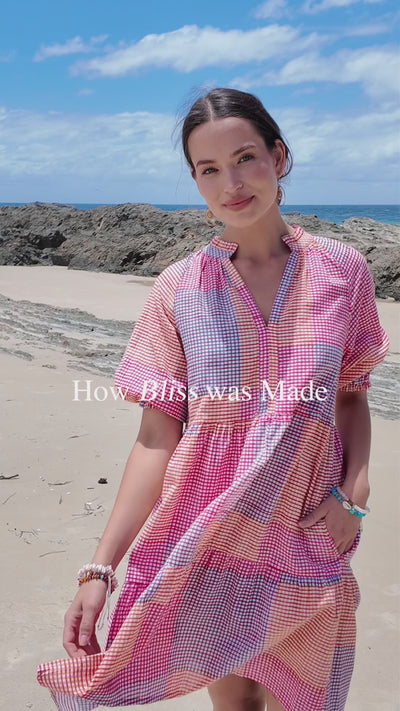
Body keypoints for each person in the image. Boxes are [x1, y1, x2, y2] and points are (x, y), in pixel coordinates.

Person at [37, 88, 390, 711]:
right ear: (195, 180)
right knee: (236, 703)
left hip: (307, 527)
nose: (231, 183)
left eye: (246, 157)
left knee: (307, 697)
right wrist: (101, 567)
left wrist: (354, 493)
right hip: (209, 538)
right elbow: (156, 440)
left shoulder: (343, 270)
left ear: (279, 156)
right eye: (208, 169)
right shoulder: (180, 288)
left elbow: (350, 391)